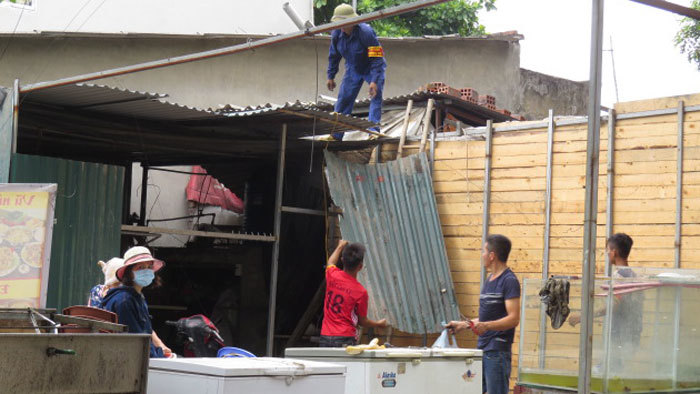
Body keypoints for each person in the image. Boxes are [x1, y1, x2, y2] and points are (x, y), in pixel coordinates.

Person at [446, 234, 520, 394]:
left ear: (492, 256)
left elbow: (514, 318)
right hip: (483, 350)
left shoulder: (509, 281)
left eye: (484, 251)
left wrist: (486, 326)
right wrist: (463, 325)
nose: (482, 255)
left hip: (497, 352)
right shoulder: (490, 280)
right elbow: (487, 318)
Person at [568, 233, 643, 373]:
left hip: (619, 337)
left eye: (607, 250)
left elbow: (613, 305)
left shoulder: (620, 276)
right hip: (629, 336)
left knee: (605, 371)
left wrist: (583, 316)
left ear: (614, 253)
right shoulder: (633, 276)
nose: (607, 254)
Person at [326, 3, 387, 140]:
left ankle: (373, 131)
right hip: (353, 68)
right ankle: (336, 134)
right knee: (343, 100)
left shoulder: (366, 32)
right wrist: (331, 76)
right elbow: (334, 55)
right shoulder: (336, 34)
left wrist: (374, 80)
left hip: (371, 67)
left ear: (352, 22)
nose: (340, 27)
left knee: (375, 96)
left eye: (342, 23)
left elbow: (377, 56)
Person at [100, 246, 171, 358]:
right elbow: (137, 343)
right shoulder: (124, 301)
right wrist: (159, 356)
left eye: (149, 267)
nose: (146, 271)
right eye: (140, 267)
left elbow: (146, 334)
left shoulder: (137, 297)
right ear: (129, 273)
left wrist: (161, 350)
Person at [320, 239, 388, 347]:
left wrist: (340, 246)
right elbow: (362, 321)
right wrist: (378, 324)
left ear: (342, 260)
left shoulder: (332, 275)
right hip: (345, 338)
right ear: (360, 267)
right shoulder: (361, 292)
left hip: (325, 336)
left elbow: (330, 262)